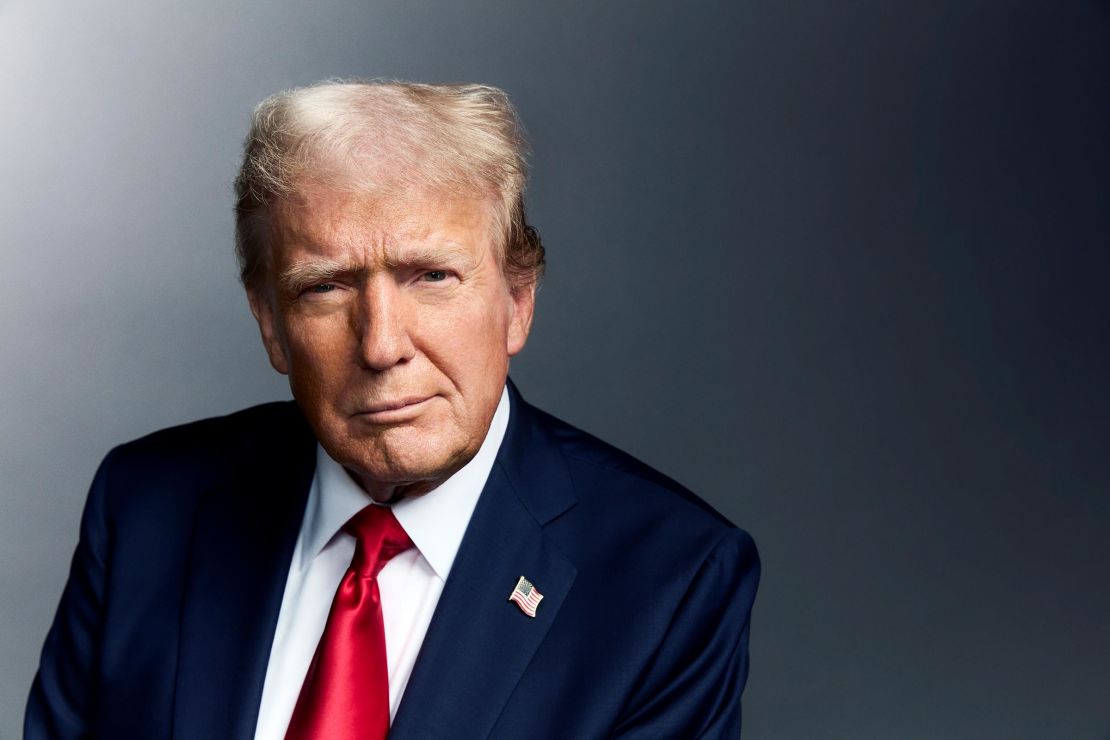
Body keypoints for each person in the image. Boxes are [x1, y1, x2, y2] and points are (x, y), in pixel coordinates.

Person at [26, 80, 761, 739]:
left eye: (432, 276)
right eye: (325, 288)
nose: (381, 346)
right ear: (270, 323)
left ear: (517, 301)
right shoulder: (148, 506)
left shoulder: (671, 578)